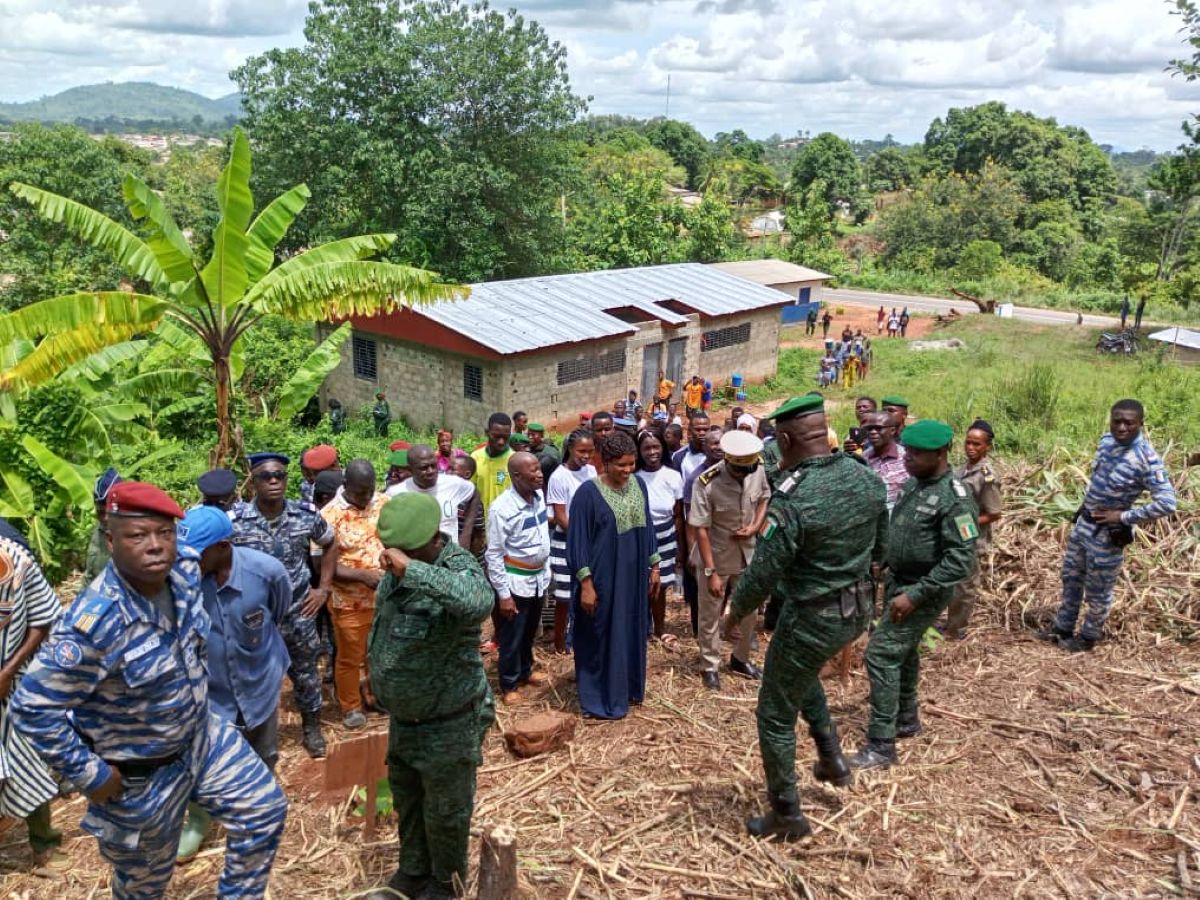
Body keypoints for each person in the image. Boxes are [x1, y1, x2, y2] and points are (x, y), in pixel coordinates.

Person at [11, 482, 287, 898]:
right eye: (138, 536)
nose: (156, 546)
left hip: (202, 740)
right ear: (110, 539)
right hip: (142, 776)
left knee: (264, 811)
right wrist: (91, 773)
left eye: (166, 533)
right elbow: (31, 707)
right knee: (145, 887)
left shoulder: (186, 571)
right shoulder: (93, 624)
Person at [725, 395, 887, 840]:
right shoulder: (865, 477)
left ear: (786, 438)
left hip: (810, 617)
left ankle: (787, 814)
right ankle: (831, 755)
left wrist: (733, 616)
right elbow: (882, 551)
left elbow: (761, 574)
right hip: (856, 611)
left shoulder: (794, 499)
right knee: (795, 671)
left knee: (774, 713)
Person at [365, 493, 495, 900]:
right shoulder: (396, 569)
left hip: (448, 718)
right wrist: (373, 670)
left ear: (429, 540)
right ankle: (413, 871)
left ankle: (445, 882)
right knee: (408, 798)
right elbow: (385, 620)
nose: (392, 556)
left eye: (401, 549)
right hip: (406, 718)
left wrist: (415, 572)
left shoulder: (457, 566)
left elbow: (478, 602)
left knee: (446, 811)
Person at [850, 421, 979, 770]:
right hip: (899, 581)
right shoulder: (914, 483)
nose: (908, 458)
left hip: (924, 589)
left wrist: (916, 595)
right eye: (908, 451)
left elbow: (960, 561)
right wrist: (884, 561)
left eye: (918, 453)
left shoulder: (955, 497)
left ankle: (881, 744)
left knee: (880, 654)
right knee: (902, 653)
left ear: (940, 454)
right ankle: (906, 718)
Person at [175, 507, 291, 861]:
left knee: (264, 751)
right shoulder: (182, 580)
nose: (188, 561)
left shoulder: (266, 571)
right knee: (206, 760)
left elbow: (280, 610)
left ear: (223, 546)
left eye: (197, 553)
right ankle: (198, 822)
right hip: (213, 690)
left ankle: (257, 812)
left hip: (261, 678)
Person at [1038, 399, 1176, 652]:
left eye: (1129, 423)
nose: (1122, 428)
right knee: (1070, 578)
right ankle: (1063, 627)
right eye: (1117, 421)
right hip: (1085, 525)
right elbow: (1098, 481)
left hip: (1108, 536)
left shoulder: (1147, 459)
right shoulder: (1106, 442)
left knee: (1098, 590)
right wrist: (1083, 507)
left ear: (1140, 424)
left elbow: (1167, 503)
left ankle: (1088, 637)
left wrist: (1122, 517)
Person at [230, 452, 335, 758]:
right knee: (253, 678)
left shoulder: (305, 516)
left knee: (306, 673)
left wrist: (323, 589)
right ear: (254, 481)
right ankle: (257, 739)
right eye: (266, 476)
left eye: (280, 475)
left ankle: (311, 728)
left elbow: (330, 543)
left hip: (299, 611)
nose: (274, 481)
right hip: (255, 617)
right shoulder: (236, 522)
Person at [567, 432, 660, 719]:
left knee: (629, 628)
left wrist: (654, 565)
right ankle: (599, 696)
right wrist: (586, 584)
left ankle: (627, 687)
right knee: (600, 632)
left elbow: (648, 526)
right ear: (605, 462)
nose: (627, 471)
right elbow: (577, 541)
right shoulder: (587, 494)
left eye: (632, 464)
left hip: (632, 578)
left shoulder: (639, 485)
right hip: (603, 579)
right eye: (621, 465)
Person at [0, 535, 65, 868]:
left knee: (29, 761)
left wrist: (8, 671)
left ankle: (44, 846)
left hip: (12, 686)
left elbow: (44, 618)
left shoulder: (16, 560)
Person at [689, 430, 769, 689]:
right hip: (717, 555)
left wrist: (756, 526)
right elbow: (700, 529)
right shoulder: (706, 482)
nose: (744, 475)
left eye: (749, 469)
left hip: (748, 553)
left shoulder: (756, 469)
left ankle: (740, 658)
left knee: (749, 610)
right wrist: (711, 572)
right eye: (739, 471)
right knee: (710, 613)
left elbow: (764, 498)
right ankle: (710, 664)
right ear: (728, 460)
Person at [321, 459, 387, 730]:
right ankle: (350, 706)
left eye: (370, 490)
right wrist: (363, 575)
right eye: (360, 492)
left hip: (383, 597)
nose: (366, 497)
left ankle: (375, 695)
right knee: (350, 655)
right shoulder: (328, 516)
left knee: (378, 652)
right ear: (345, 485)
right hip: (348, 601)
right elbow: (323, 566)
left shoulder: (384, 503)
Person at [485, 453, 551, 705]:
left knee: (529, 630)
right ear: (516, 476)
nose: (539, 474)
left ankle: (525, 670)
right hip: (515, 582)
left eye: (539, 468)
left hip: (538, 579)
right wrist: (503, 594)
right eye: (532, 471)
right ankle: (509, 683)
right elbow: (494, 554)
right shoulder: (502, 508)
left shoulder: (539, 497)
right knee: (512, 635)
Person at [943, 420, 1004, 640]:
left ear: (987, 447)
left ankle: (957, 629)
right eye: (968, 442)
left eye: (977, 444)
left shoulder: (986, 476)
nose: (971, 447)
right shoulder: (960, 470)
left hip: (971, 537)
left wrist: (965, 524)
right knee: (952, 582)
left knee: (965, 585)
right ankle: (951, 623)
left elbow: (994, 512)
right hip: (954, 536)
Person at [547, 430, 596, 654]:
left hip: (589, 541)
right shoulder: (559, 476)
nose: (585, 456)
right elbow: (560, 516)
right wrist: (580, 534)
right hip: (565, 542)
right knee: (565, 597)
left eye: (589, 451)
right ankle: (559, 642)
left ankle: (580, 638)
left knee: (587, 591)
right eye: (581, 451)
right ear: (570, 449)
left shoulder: (592, 472)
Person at [636, 430, 685, 642]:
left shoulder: (673, 476)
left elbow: (678, 514)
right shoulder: (633, 477)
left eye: (656, 447)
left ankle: (660, 628)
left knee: (661, 585)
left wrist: (680, 548)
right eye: (647, 448)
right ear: (639, 451)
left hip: (666, 535)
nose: (652, 452)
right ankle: (642, 628)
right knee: (640, 583)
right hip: (638, 536)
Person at [390, 445, 481, 550]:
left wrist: (466, 534)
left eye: (434, 466)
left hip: (451, 557)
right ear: (411, 469)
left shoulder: (453, 483)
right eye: (424, 468)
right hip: (417, 560)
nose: (431, 471)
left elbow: (474, 493)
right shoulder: (396, 493)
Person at [471, 413, 515, 517]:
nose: (501, 442)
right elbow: (469, 490)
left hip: (504, 525)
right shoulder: (475, 457)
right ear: (487, 433)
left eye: (505, 437)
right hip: (480, 525)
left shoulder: (514, 461)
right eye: (496, 436)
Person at [863, 412, 907, 511]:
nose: (873, 432)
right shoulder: (864, 458)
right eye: (869, 428)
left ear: (892, 430)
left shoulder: (905, 459)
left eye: (878, 428)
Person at [84, 467, 121, 581]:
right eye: (100, 512)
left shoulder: (137, 534)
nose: (105, 518)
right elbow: (90, 576)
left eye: (110, 512)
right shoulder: (99, 532)